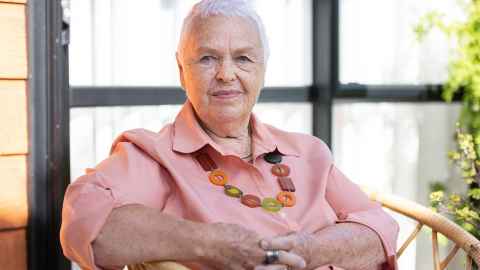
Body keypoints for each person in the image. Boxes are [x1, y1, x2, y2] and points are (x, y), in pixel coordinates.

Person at [60, 0, 399, 269]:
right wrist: (210, 244)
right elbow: (84, 219)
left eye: (243, 58)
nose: (226, 74)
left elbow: (380, 228)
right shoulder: (155, 156)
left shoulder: (308, 152)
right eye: (208, 59)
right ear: (182, 71)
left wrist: (313, 250)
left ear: (262, 68)